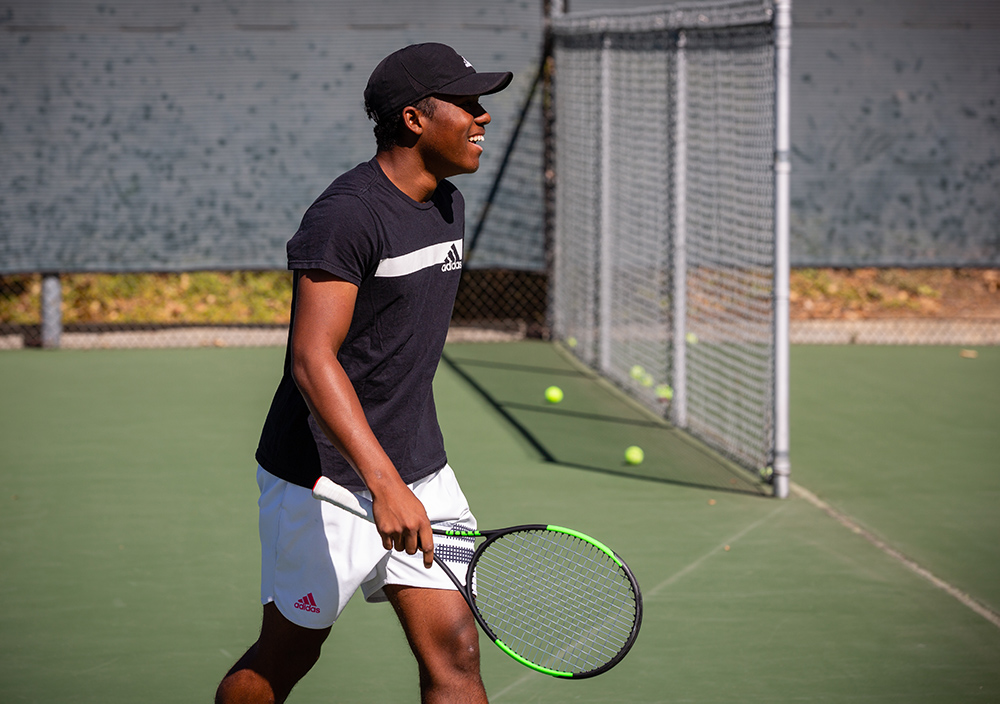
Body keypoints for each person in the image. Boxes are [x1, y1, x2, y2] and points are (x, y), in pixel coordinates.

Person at [215, 43, 512, 704]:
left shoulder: (448, 205)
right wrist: (383, 485)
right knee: (287, 656)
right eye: (467, 104)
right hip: (321, 481)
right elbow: (311, 358)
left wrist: (404, 481)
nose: (483, 116)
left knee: (457, 653)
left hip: (419, 468)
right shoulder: (346, 216)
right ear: (414, 118)